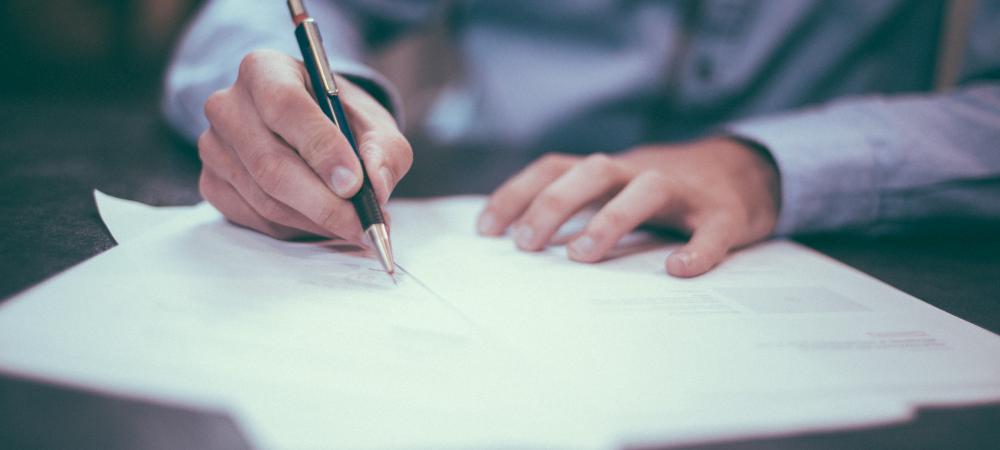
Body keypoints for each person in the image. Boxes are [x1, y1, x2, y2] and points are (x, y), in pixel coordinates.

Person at [162, 0, 1000, 277]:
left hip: (837, 240)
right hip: (487, 212)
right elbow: (261, 13)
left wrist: (767, 166)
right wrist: (311, 100)